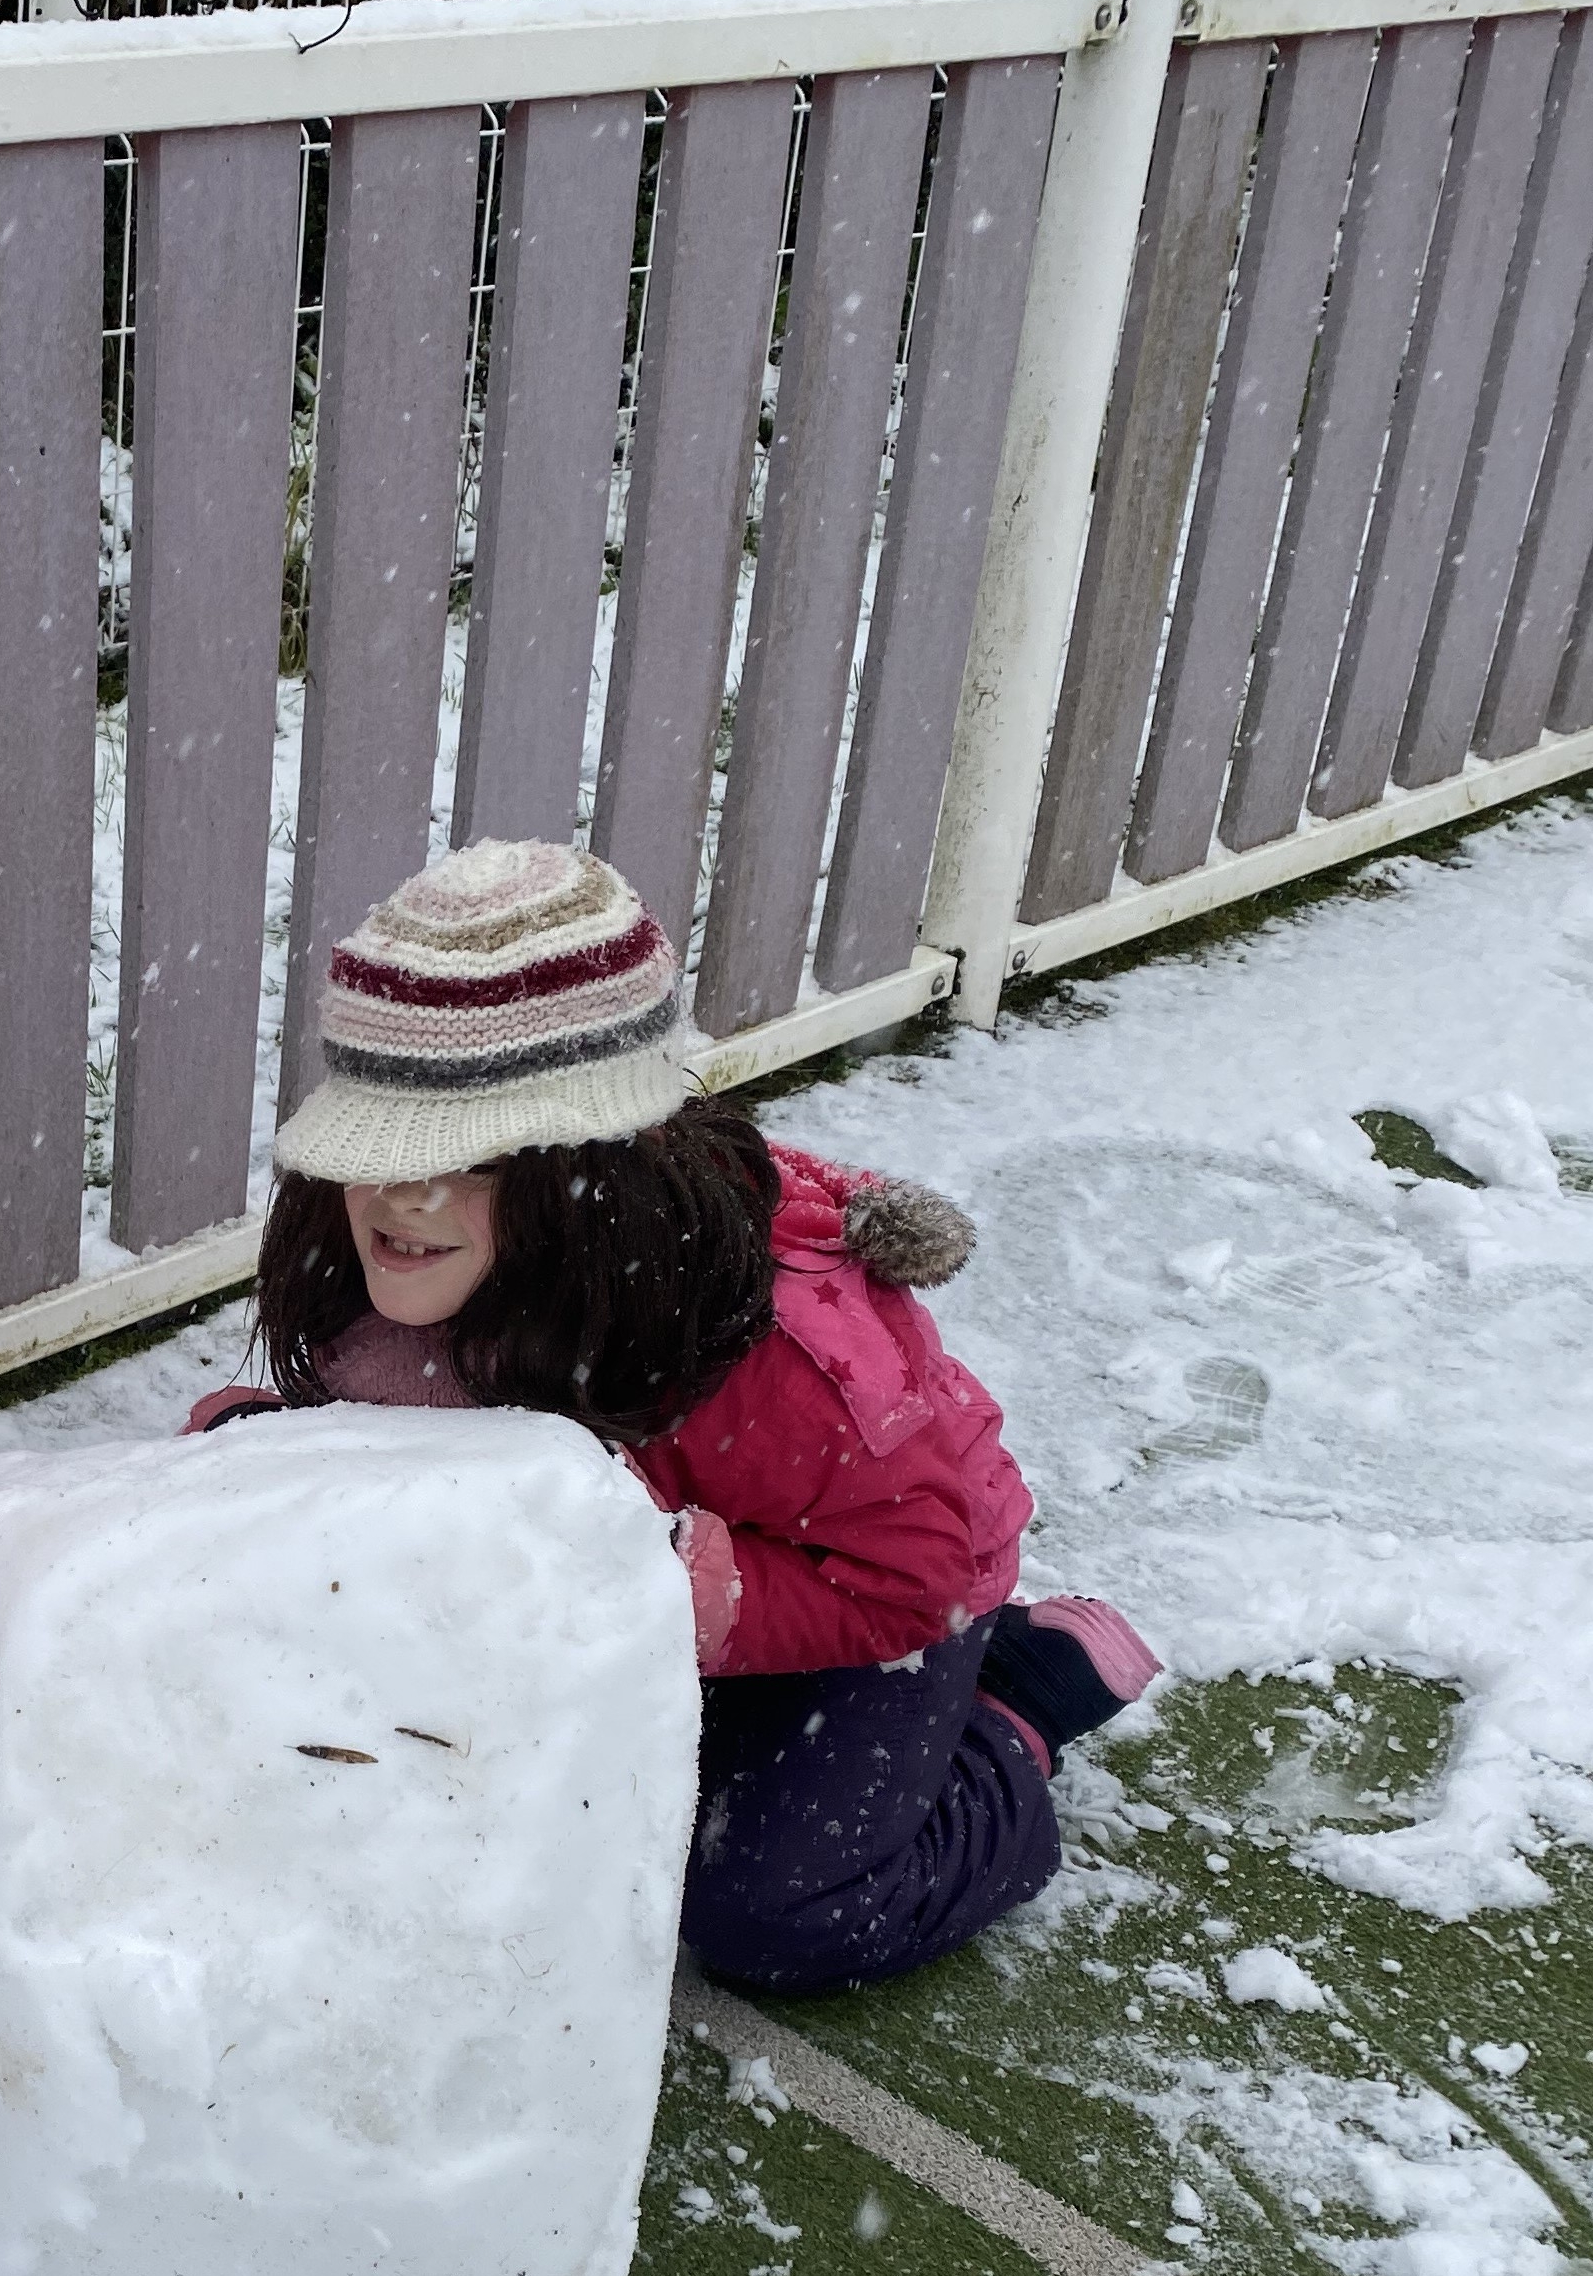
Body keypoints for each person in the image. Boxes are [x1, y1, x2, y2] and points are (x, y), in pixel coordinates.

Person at [195, 838, 1158, 1995]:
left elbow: (921, 1569)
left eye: (479, 1156)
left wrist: (666, 1588)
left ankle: (1017, 1704)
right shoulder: (396, 1276)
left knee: (769, 1908)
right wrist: (260, 1460)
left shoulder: (774, 1361)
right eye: (383, 1144)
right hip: (650, 1583)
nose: (406, 1193)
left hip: (869, 1591)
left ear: (585, 1165)